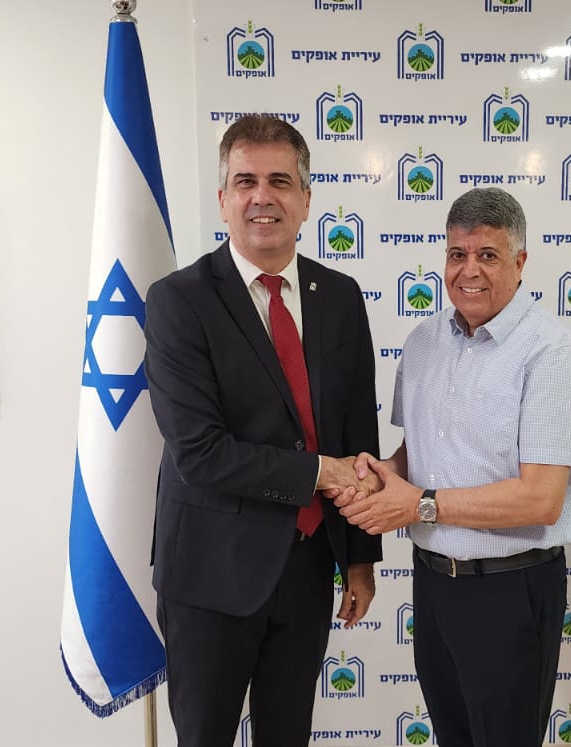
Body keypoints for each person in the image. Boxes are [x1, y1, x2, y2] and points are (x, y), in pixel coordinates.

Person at [143, 114, 383, 747]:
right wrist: (319, 473)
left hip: (308, 568)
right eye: (245, 181)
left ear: (306, 199)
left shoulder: (340, 296)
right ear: (223, 199)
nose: (262, 197)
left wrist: (360, 559)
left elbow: (357, 432)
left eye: (280, 181)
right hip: (209, 573)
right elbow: (200, 453)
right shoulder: (178, 301)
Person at [333, 187, 571, 747]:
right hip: (434, 586)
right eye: (458, 254)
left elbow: (541, 499)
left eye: (488, 255)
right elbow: (421, 452)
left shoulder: (552, 353)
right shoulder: (423, 342)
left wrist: (421, 505)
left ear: (520, 262)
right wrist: (381, 475)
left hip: (511, 590)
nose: (469, 270)